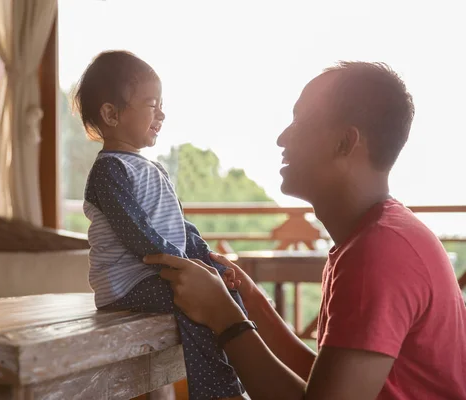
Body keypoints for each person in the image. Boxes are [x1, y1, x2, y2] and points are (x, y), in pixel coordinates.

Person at [144, 61, 466, 399]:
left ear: (345, 142)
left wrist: (223, 315)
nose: (282, 137)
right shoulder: (376, 237)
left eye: (301, 120)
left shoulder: (379, 252)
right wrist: (249, 302)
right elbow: (327, 383)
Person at [76, 50, 248, 400]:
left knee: (227, 293)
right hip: (128, 286)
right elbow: (138, 233)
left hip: (162, 272)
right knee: (198, 300)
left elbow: (179, 228)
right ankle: (218, 392)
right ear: (111, 113)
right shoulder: (110, 170)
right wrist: (190, 270)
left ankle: (240, 378)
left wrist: (209, 261)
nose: (162, 114)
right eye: (152, 105)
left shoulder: (152, 168)